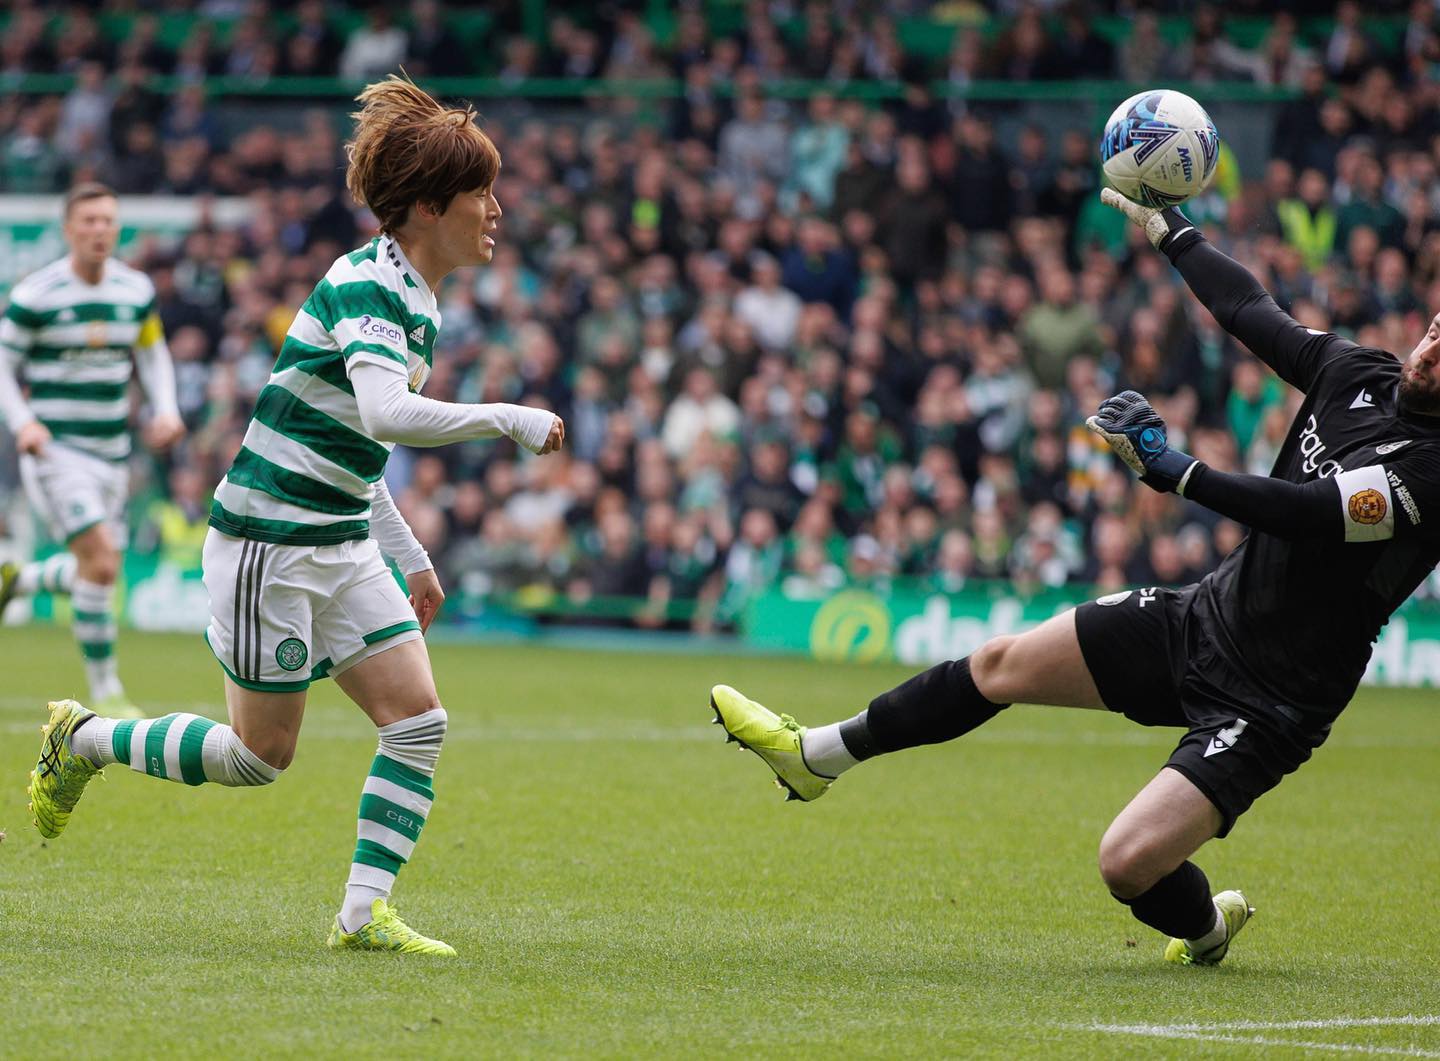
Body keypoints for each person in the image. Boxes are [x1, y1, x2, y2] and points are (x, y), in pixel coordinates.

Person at [709, 187, 1440, 967]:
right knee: (998, 664)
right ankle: (815, 755)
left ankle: (1206, 931)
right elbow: (1249, 309)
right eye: (1436, 331)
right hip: (1203, 617)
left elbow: (1302, 511)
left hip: (1276, 699)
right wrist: (1171, 229)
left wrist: (1176, 470)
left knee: (1125, 862)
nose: (1433, 350)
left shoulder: (1430, 475)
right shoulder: (1358, 371)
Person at [26, 76, 566, 956]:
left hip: (341, 539)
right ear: (431, 206)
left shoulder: (415, 297)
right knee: (257, 757)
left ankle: (362, 914)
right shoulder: (365, 286)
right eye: (483, 194)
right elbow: (389, 415)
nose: (497, 209)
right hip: (267, 546)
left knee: (419, 721)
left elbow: (356, 448)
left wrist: (413, 555)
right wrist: (505, 417)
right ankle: (83, 737)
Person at [0, 183, 185, 718]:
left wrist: (165, 409)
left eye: (108, 220)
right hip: (56, 451)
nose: (100, 230)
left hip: (113, 454)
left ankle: (22, 578)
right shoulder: (36, 295)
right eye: (89, 221)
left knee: (97, 568)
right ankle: (105, 693)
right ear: (68, 230)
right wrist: (24, 423)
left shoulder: (135, 291)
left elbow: (152, 354)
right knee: (102, 563)